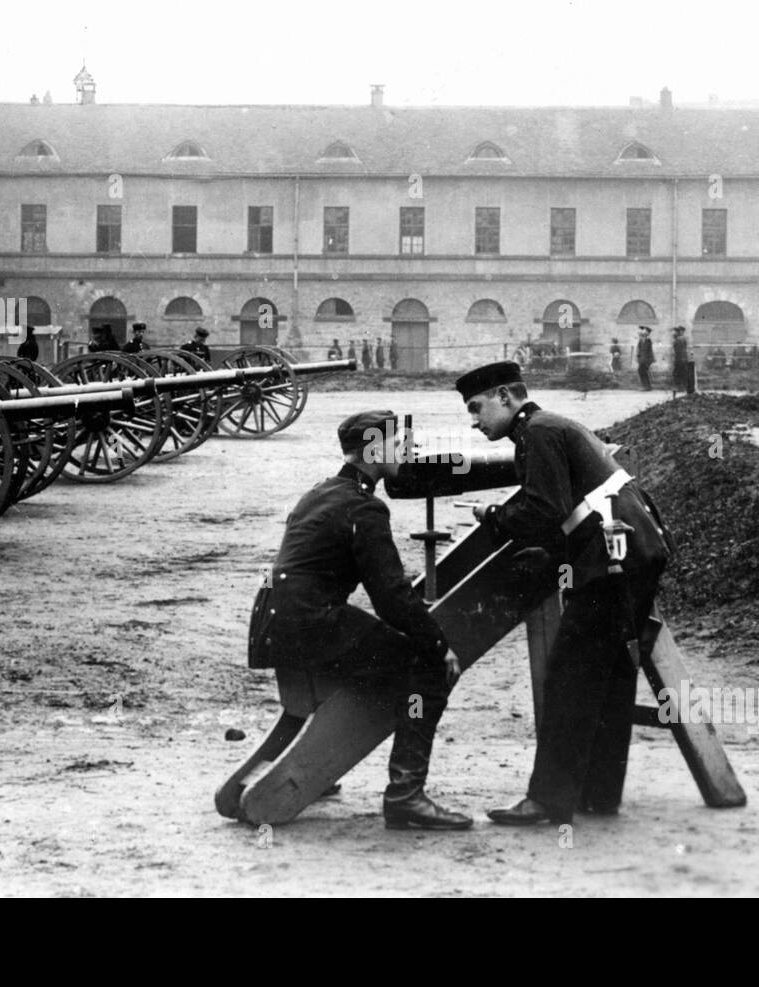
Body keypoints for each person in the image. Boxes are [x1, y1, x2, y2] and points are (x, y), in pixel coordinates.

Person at [455, 361, 672, 825]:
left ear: (505, 397)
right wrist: (553, 557)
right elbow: (569, 511)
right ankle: (598, 794)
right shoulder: (551, 426)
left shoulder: (536, 433)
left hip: (611, 561)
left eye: (477, 408)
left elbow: (543, 509)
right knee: (611, 677)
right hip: (636, 550)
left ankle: (548, 800)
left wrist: (491, 515)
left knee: (569, 678)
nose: (475, 421)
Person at [248, 409, 471, 830]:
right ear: (373, 449)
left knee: (386, 654)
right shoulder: (365, 508)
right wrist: (439, 645)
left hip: (274, 622)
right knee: (426, 671)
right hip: (310, 623)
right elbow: (390, 598)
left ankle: (316, 766)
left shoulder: (322, 491)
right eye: (398, 443)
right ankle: (406, 796)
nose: (408, 449)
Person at [670, 326, 692, 397]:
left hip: (680, 360)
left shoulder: (679, 340)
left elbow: (678, 351)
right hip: (682, 359)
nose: (674, 333)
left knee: (678, 374)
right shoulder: (682, 339)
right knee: (683, 374)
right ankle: (682, 388)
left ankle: (679, 388)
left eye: (676, 332)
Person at [635, 326, 655, 391]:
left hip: (646, 360)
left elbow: (646, 351)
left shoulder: (648, 340)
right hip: (642, 359)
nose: (643, 332)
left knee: (642, 371)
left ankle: (646, 386)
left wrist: (644, 360)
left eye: (645, 331)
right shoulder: (641, 340)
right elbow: (639, 350)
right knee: (642, 371)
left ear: (647, 333)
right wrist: (638, 358)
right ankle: (646, 386)